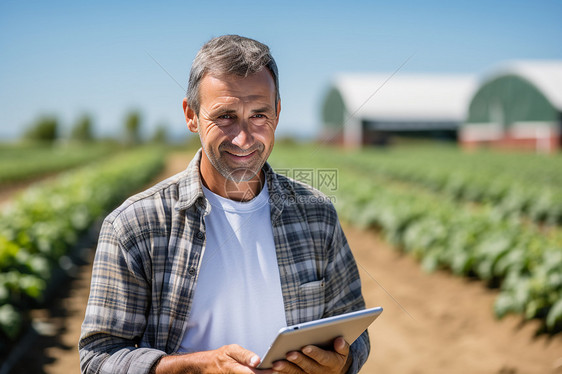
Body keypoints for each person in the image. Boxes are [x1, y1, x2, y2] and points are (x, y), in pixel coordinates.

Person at [79, 34, 369, 374]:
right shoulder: (135, 226)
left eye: (259, 115)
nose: (244, 138)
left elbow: (355, 334)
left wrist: (341, 361)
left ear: (277, 112)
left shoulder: (317, 215)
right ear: (191, 115)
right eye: (226, 117)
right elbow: (99, 358)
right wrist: (193, 367)